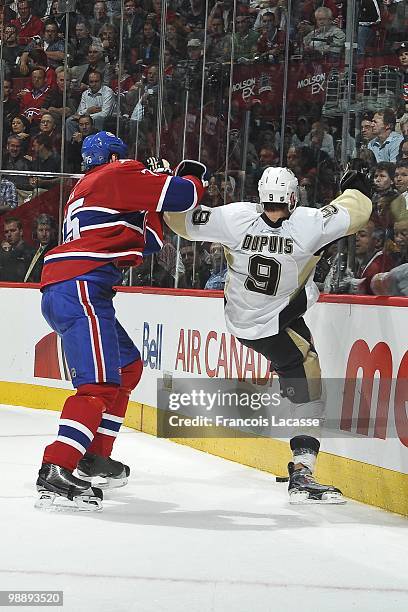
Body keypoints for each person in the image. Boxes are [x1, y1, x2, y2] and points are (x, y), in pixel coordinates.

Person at [165, 166, 373, 504]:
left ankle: (299, 449)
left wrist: (178, 185)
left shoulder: (235, 217)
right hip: (278, 324)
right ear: (292, 197)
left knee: (298, 380)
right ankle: (303, 473)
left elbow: (179, 222)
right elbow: (359, 210)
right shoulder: (308, 223)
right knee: (309, 394)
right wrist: (353, 185)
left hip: (240, 321)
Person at [36, 131, 207, 511]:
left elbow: (150, 242)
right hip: (80, 286)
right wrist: (191, 175)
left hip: (76, 287)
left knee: (127, 367)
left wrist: (153, 201)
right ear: (116, 157)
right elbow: (186, 195)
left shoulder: (92, 187)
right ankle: (56, 469)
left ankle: (95, 457)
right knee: (97, 386)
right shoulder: (116, 175)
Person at [24, 213, 58, 283]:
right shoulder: (34, 250)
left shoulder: (54, 250)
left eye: (47, 230)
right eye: (41, 230)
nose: (44, 234)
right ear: (36, 232)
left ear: (52, 231)